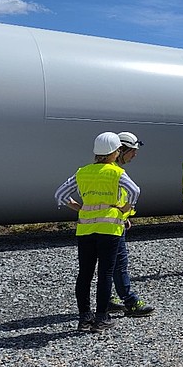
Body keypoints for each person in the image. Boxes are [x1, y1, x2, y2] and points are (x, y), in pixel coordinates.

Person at [55, 132, 140, 332]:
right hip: (109, 229)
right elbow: (135, 190)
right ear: (113, 152)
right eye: (118, 149)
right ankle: (102, 318)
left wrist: (79, 208)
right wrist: (126, 208)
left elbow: (59, 194)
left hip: (85, 229)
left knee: (84, 274)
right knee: (105, 273)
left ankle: (84, 318)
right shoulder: (116, 172)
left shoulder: (82, 172)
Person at [106, 131, 154, 317]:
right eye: (132, 151)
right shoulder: (115, 172)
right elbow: (134, 192)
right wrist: (122, 212)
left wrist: (124, 215)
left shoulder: (104, 170)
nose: (135, 155)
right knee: (119, 264)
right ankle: (130, 301)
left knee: (110, 264)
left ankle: (109, 299)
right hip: (112, 225)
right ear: (121, 149)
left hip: (109, 223)